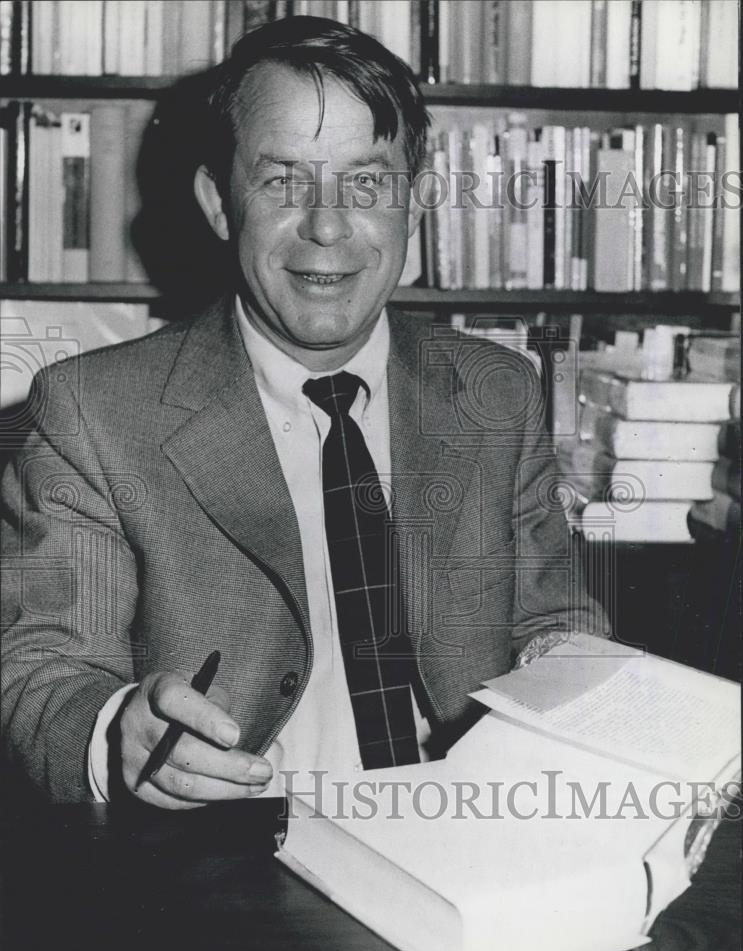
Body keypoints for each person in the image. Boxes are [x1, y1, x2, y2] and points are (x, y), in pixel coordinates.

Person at [1, 16, 605, 807]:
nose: (326, 227)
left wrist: (567, 661)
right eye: (283, 180)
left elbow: (552, 614)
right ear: (220, 203)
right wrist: (116, 727)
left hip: (469, 837)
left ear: (415, 205)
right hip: (229, 867)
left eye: (365, 182)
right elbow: (40, 670)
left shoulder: (497, 391)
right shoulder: (91, 411)